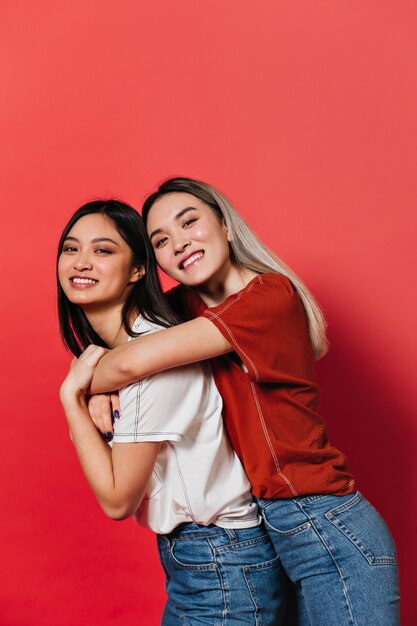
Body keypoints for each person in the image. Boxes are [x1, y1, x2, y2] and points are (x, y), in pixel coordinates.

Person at [87, 179, 400, 626]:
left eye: (189, 222)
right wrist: (102, 384)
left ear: (225, 225)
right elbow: (125, 342)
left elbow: (128, 360)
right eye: (160, 240)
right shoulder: (189, 308)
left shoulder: (270, 297)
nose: (179, 243)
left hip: (327, 525)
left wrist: (86, 386)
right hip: (269, 533)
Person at [57, 199, 285, 626]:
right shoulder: (122, 356)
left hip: (221, 561)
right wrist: (91, 388)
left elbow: (117, 498)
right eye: (70, 249)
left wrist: (72, 397)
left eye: (103, 250)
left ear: (139, 269)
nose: (81, 262)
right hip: (200, 561)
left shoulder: (155, 357)